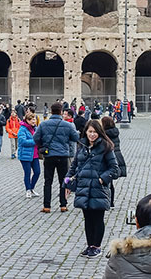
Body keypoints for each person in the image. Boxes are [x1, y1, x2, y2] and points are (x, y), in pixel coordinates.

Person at [64, 119, 119, 258]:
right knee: (87, 218)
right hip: (83, 187)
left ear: (99, 132)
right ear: (86, 132)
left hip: (98, 188)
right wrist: (66, 183)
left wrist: (102, 178)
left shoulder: (106, 147)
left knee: (97, 218)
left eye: (95, 132)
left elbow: (114, 169)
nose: (92, 134)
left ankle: (97, 246)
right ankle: (90, 245)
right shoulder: (81, 146)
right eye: (90, 132)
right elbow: (73, 166)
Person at [34, 102, 80, 213]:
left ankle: (47, 206)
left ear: (50, 111)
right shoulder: (68, 125)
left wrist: (43, 144)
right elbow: (76, 138)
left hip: (49, 155)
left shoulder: (43, 125)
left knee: (48, 181)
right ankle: (63, 205)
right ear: (61, 112)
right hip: (63, 155)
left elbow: (35, 138)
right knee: (63, 181)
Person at [101, 117, 126, 208]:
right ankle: (111, 202)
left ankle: (107, 200)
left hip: (108, 157)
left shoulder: (104, 134)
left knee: (107, 181)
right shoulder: (115, 131)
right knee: (111, 182)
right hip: (117, 155)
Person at [17, 112, 41, 197]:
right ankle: (27, 190)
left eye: (34, 119)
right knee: (27, 173)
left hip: (35, 155)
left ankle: (31, 188)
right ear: (27, 120)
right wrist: (35, 142)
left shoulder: (36, 129)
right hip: (25, 155)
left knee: (37, 172)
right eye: (32, 120)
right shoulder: (22, 129)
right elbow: (22, 141)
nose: (34, 121)